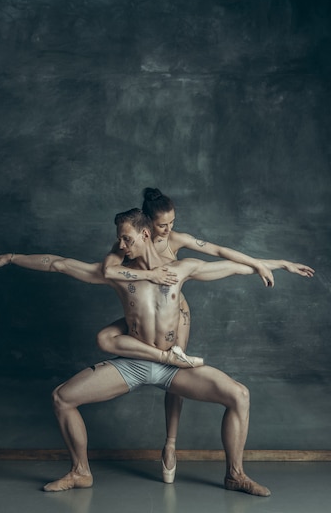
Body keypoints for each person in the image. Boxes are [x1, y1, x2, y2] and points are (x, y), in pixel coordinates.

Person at [0, 208, 314, 496]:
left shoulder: (181, 270)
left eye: (126, 239)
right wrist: (12, 258)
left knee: (239, 395)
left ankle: (235, 473)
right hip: (134, 363)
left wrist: (279, 263)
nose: (119, 245)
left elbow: (233, 267)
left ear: (145, 236)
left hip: (174, 368)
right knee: (62, 398)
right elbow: (57, 264)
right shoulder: (117, 275)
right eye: (119, 239)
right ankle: (81, 471)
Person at [97, 188, 277, 481]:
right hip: (141, 313)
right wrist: (149, 275)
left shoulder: (175, 242)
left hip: (174, 315)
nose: (168, 230)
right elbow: (106, 270)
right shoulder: (127, 242)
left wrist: (262, 264)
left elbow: (218, 255)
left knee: (175, 374)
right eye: (162, 225)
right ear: (146, 226)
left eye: (172, 223)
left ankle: (172, 444)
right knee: (107, 338)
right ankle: (170, 440)